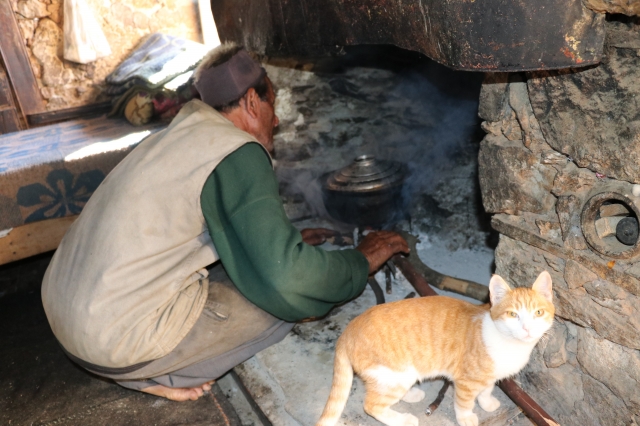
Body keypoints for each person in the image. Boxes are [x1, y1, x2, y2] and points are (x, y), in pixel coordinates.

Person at [41, 43, 409, 402]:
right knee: (287, 303)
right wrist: (359, 260)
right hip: (113, 341)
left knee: (250, 273)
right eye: (272, 105)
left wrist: (285, 239)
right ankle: (156, 374)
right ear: (252, 101)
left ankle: (138, 371)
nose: (276, 120)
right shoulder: (235, 149)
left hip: (67, 318)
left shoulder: (177, 137)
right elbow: (290, 281)